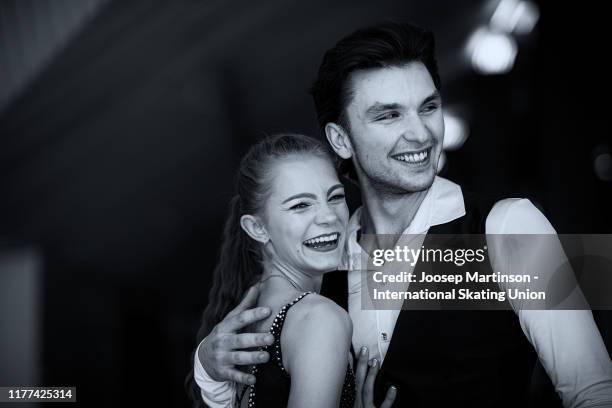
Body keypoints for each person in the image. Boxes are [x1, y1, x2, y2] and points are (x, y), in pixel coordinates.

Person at [192, 23, 612, 407]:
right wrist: (210, 372)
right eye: (389, 115)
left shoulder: (507, 227)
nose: (421, 133)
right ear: (341, 139)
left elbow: (595, 392)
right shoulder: (320, 261)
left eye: (428, 107)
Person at [186, 133, 397, 407]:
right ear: (257, 228)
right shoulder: (320, 318)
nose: (329, 217)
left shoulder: (254, 319)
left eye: (335, 197)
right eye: (301, 205)